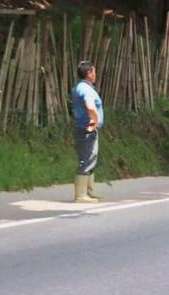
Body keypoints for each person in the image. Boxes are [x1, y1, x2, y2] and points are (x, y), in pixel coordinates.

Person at [70, 61, 104, 203]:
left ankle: (89, 191)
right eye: (94, 72)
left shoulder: (82, 87)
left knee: (91, 158)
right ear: (89, 73)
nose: (95, 74)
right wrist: (95, 119)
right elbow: (90, 106)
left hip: (85, 127)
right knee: (87, 158)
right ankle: (81, 195)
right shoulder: (85, 89)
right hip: (86, 128)